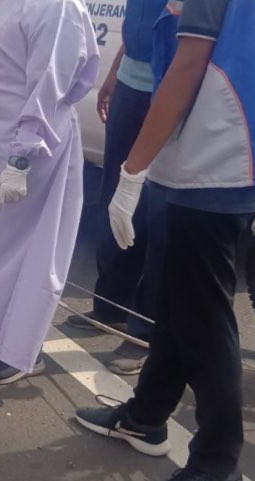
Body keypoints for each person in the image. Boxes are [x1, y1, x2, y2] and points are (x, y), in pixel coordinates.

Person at [73, 1, 255, 481]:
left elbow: (188, 64)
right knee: (180, 301)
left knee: (206, 320)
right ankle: (146, 417)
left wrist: (131, 173)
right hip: (252, 159)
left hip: (206, 163)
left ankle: (218, 465)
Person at [0, 0, 100, 385]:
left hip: (34, 144)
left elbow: (50, 85)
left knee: (32, 248)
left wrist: (23, 158)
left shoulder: (59, 7)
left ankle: (21, 348)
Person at [65, 0, 166, 347]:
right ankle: (111, 307)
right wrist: (114, 74)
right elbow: (139, 27)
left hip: (169, 91)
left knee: (158, 211)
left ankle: (145, 332)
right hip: (130, 85)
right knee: (115, 199)